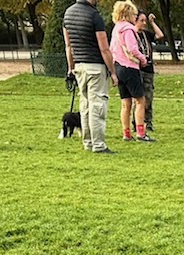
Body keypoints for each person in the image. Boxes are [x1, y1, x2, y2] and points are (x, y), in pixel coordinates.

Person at [64, 0, 117, 154]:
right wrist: (113, 72)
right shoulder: (94, 16)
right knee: (98, 105)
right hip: (96, 67)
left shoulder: (68, 14)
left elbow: (69, 45)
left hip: (79, 66)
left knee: (85, 105)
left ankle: (87, 142)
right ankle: (99, 144)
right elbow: (104, 48)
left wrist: (71, 68)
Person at [109, 1, 151, 142]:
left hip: (118, 67)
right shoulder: (128, 29)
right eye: (134, 14)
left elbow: (112, 49)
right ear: (128, 14)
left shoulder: (116, 29)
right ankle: (141, 132)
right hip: (129, 67)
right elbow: (133, 49)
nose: (135, 17)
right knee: (140, 100)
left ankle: (126, 134)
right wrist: (143, 59)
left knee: (125, 103)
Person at [136, 10, 164, 131]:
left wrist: (152, 22)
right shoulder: (131, 34)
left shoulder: (146, 34)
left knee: (148, 97)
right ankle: (136, 121)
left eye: (145, 21)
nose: (144, 23)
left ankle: (148, 122)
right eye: (141, 21)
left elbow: (160, 35)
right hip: (136, 69)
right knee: (137, 98)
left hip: (148, 69)